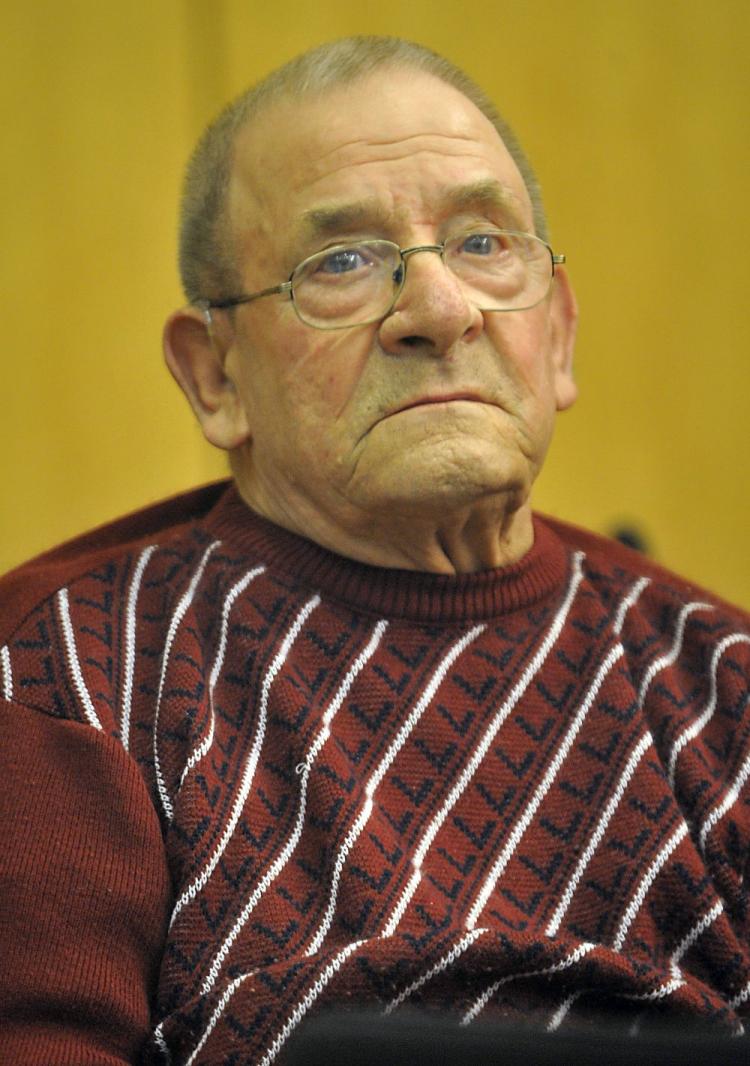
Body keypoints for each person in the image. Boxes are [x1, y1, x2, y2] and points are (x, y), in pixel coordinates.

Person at [1, 35, 749, 1066]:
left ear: (560, 336)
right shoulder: (69, 678)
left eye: (486, 243)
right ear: (213, 374)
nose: (441, 311)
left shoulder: (723, 684)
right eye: (341, 262)